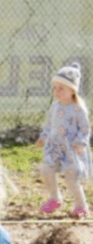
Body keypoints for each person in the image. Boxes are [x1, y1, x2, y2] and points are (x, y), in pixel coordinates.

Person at [37, 61, 91, 220]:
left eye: (61, 88)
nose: (56, 91)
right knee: (46, 170)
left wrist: (80, 142)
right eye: (55, 88)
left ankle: (81, 206)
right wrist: (44, 136)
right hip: (54, 148)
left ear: (72, 90)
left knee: (71, 178)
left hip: (72, 150)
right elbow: (49, 124)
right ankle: (55, 198)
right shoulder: (55, 106)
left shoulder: (78, 108)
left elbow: (85, 129)